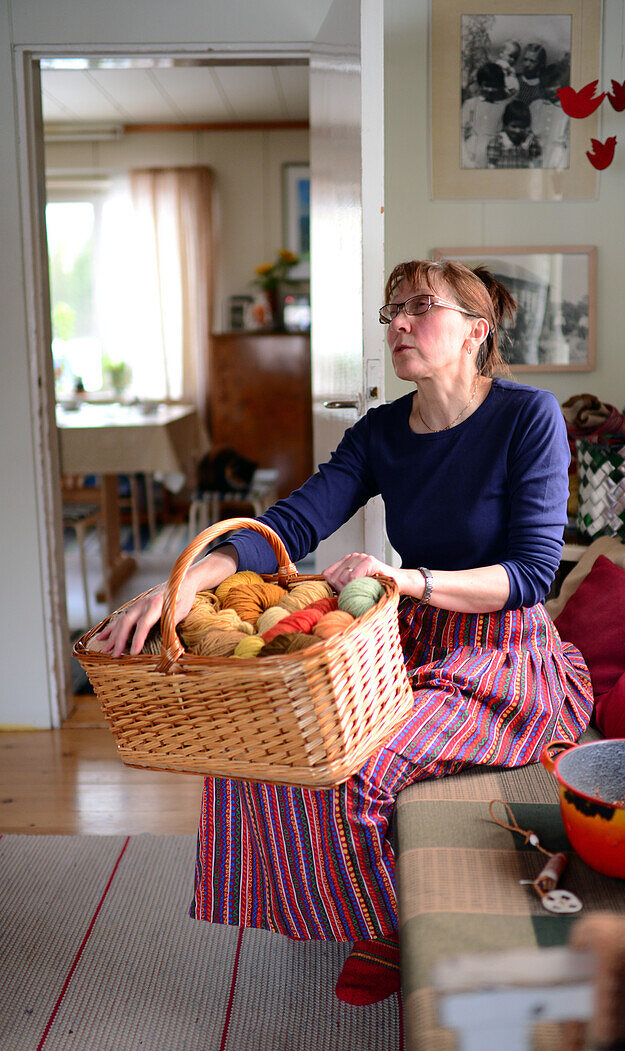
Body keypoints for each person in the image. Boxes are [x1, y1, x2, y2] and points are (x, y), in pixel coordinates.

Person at [97, 260, 593, 1006]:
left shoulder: (529, 416)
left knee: (355, 764)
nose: (397, 322)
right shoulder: (381, 432)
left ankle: (386, 927)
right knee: (269, 737)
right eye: (392, 309)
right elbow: (292, 524)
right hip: (399, 640)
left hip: (501, 654)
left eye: (420, 307)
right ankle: (329, 904)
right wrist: (177, 586)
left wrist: (408, 579)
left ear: (475, 330)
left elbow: (531, 573)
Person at [461, 62, 508, 168]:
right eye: (487, 85)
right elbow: (461, 134)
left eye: (494, 86)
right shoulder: (471, 104)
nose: (490, 90)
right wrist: (466, 160)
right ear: (480, 84)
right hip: (471, 154)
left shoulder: (504, 106)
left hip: (494, 155)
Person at [530, 60, 571, 169]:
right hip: (535, 154)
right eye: (548, 86)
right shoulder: (535, 106)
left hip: (558, 157)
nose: (552, 90)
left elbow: (569, 140)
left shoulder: (569, 109)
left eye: (555, 85)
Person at [486, 99, 542, 168]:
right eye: (514, 126)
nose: (517, 130)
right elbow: (491, 166)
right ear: (506, 125)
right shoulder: (497, 142)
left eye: (522, 127)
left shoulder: (530, 142)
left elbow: (536, 163)